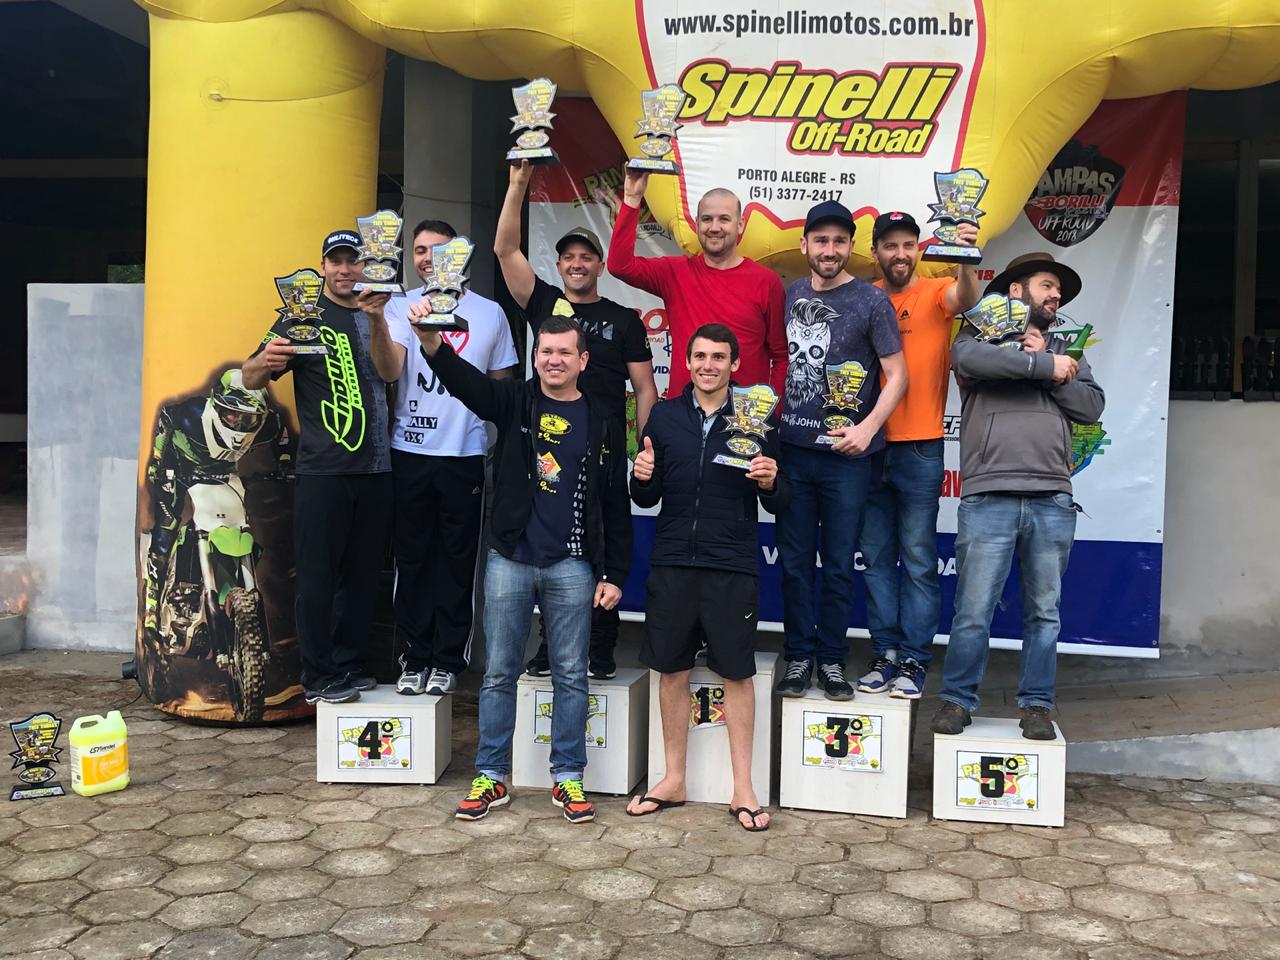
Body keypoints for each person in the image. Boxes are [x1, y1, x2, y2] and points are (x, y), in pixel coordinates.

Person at [412, 315, 632, 823]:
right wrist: (432, 343)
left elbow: (614, 503)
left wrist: (615, 573)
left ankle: (568, 778)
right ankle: (491, 776)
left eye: (564, 352)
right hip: (509, 559)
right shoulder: (513, 401)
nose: (554, 360)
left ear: (583, 360)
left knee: (571, 675)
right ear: (535, 357)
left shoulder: (602, 419)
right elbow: (466, 382)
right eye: (545, 351)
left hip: (573, 564)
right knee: (498, 674)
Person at [495, 159, 658, 681]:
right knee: (551, 543)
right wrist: (518, 184)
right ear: (559, 264)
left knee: (602, 541)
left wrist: (646, 448)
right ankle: (550, 646)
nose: (577, 264)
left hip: (604, 446)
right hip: (547, 445)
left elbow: (645, 388)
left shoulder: (624, 319)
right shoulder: (545, 303)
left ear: (600, 265)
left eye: (587, 256)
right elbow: (505, 251)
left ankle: (602, 645)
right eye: (569, 257)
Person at [931, 252, 1104, 741]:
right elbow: (966, 360)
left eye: (1059, 291)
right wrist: (1042, 365)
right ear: (1015, 290)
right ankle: (957, 700)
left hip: (1051, 497)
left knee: (1044, 614)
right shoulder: (980, 334)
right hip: (990, 495)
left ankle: (1037, 707)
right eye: (1047, 285)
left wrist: (1055, 365)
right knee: (973, 610)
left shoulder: (1066, 347)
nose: (1056, 295)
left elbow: (1091, 406)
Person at [627, 324, 789, 831]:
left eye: (719, 357)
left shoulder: (757, 418)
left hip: (730, 564)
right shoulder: (664, 417)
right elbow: (646, 496)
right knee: (671, 671)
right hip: (673, 561)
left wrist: (771, 482)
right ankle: (673, 779)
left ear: (734, 364)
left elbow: (778, 501)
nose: (708, 365)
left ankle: (743, 788)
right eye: (700, 356)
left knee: (736, 674)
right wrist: (641, 476)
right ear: (687, 362)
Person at [242, 229, 398, 704]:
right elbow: (250, 376)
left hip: (377, 469)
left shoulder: (379, 309)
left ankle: (349, 664)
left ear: (365, 266)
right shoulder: (301, 315)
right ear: (324, 266)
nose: (345, 270)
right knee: (316, 577)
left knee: (363, 575)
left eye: (353, 261)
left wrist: (376, 319)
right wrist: (266, 359)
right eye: (337, 261)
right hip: (322, 470)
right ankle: (317, 674)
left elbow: (390, 372)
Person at [773, 202, 906, 701]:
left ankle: (831, 659)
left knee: (837, 566)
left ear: (851, 247)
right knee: (793, 564)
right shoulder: (791, 294)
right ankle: (798, 656)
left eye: (839, 241)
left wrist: (868, 429)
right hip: (793, 451)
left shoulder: (872, 301)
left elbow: (898, 375)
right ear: (804, 244)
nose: (829, 250)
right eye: (820, 240)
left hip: (847, 459)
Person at [381, 219, 519, 698]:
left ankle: (447, 659)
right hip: (409, 449)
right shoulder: (398, 305)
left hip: (463, 453)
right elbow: (390, 370)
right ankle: (415, 655)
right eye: (419, 250)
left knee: (459, 562)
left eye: (437, 250)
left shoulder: (489, 313)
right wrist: (383, 320)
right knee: (412, 559)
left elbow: (503, 389)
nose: (427, 259)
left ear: (458, 255)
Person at [857, 211, 981, 699]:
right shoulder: (863, 297)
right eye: (890, 246)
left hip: (921, 447)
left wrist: (966, 257)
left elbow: (967, 299)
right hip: (867, 446)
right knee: (876, 559)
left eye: (909, 245)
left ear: (920, 250)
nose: (900, 254)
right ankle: (885, 653)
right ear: (876, 252)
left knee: (919, 560)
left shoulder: (936, 291)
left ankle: (913, 659)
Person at [607, 171, 786, 397]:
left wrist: (771, 409)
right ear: (696, 224)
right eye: (707, 219)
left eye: (724, 219)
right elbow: (620, 266)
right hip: (683, 411)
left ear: (740, 225)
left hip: (743, 414)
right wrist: (632, 199)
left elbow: (781, 357)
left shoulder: (766, 282)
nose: (714, 227)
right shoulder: (674, 272)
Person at [143, 371, 288, 646]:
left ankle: (226, 584)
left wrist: (284, 462)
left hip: (225, 475)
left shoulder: (269, 424)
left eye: (249, 420)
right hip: (180, 467)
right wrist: (158, 459)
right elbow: (166, 416)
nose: (240, 425)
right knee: (167, 524)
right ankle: (152, 600)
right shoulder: (190, 415)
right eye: (232, 416)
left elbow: (280, 430)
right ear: (217, 405)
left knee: (245, 524)